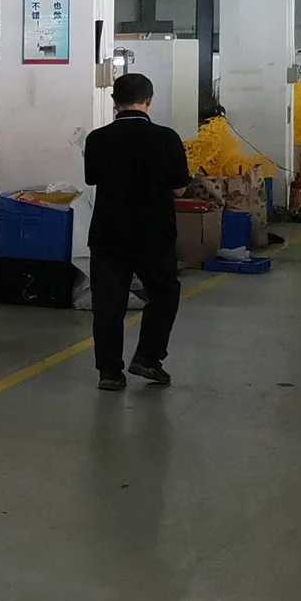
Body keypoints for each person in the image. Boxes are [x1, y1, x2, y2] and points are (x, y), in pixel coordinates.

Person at [83, 71, 191, 391]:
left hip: (108, 233)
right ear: (149, 101)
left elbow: (92, 179)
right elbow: (180, 190)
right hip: (153, 234)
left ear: (115, 102)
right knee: (164, 294)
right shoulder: (167, 138)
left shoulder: (97, 138)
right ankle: (147, 357)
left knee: (107, 304)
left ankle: (110, 372)